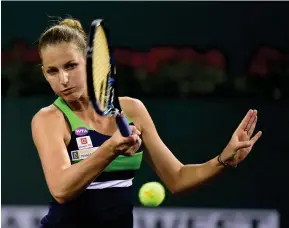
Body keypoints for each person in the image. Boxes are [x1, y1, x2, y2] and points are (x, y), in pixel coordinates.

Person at [32, 18, 262, 228]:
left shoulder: (133, 110)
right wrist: (110, 149)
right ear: (44, 73)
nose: (63, 79)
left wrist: (223, 160)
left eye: (71, 66)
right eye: (52, 71)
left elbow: (178, 178)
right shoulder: (48, 119)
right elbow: (61, 189)